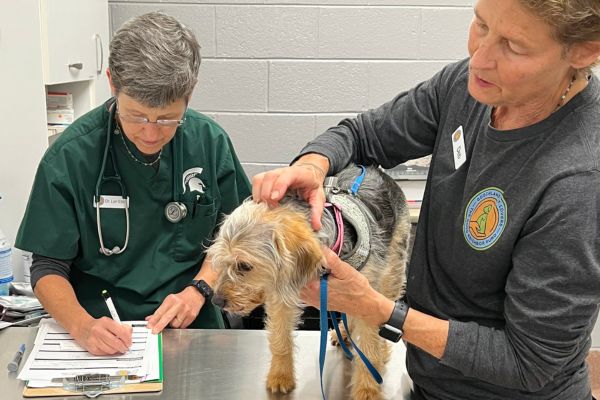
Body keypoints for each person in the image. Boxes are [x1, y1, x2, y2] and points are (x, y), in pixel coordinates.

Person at [252, 1, 600, 399]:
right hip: (432, 383)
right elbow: (365, 134)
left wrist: (378, 309)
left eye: (515, 46)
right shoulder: (468, 87)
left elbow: (529, 361)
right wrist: (314, 165)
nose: (479, 57)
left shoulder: (580, 181)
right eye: (481, 24)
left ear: (585, 50)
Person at [16, 12, 251, 355]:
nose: (151, 132)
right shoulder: (71, 157)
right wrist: (82, 326)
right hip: (103, 331)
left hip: (193, 325)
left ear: (190, 92)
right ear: (112, 83)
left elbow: (236, 236)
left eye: (168, 118)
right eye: (137, 116)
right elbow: (47, 266)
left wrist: (200, 288)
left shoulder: (209, 143)